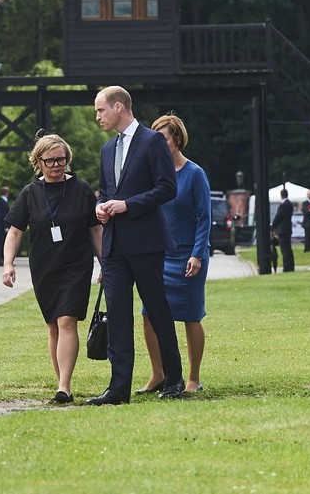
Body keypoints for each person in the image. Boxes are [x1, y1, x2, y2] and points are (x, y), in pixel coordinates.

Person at [86, 85, 184, 405]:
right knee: (117, 314)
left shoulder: (153, 141)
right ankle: (118, 389)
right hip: (114, 245)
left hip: (146, 242)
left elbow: (167, 188)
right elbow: (106, 190)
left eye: (101, 110)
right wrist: (101, 206)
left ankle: (174, 379)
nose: (97, 116)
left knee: (157, 310)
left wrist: (127, 205)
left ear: (118, 107)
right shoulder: (107, 149)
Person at [2, 133, 102, 404]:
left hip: (76, 264)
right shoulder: (30, 193)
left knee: (67, 320)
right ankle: (61, 383)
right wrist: (8, 264)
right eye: (50, 161)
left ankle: (64, 386)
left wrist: (105, 263)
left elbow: (95, 230)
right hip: (45, 266)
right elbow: (14, 232)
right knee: (53, 326)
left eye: (61, 159)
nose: (57, 165)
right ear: (38, 162)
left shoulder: (81, 190)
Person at [137, 114, 210, 396]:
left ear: (176, 139)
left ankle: (193, 377)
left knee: (191, 315)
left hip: (189, 255)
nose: (157, 143)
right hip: (159, 255)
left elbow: (204, 217)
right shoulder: (152, 175)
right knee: (148, 314)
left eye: (163, 138)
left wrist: (197, 254)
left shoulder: (195, 174)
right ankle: (158, 374)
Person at [270, 187, 295, 272]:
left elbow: (279, 216)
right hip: (287, 229)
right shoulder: (290, 204)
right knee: (288, 249)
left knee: (284, 250)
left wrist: (273, 225)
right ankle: (290, 266)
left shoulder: (283, 205)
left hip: (283, 230)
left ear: (281, 195)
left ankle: (287, 267)